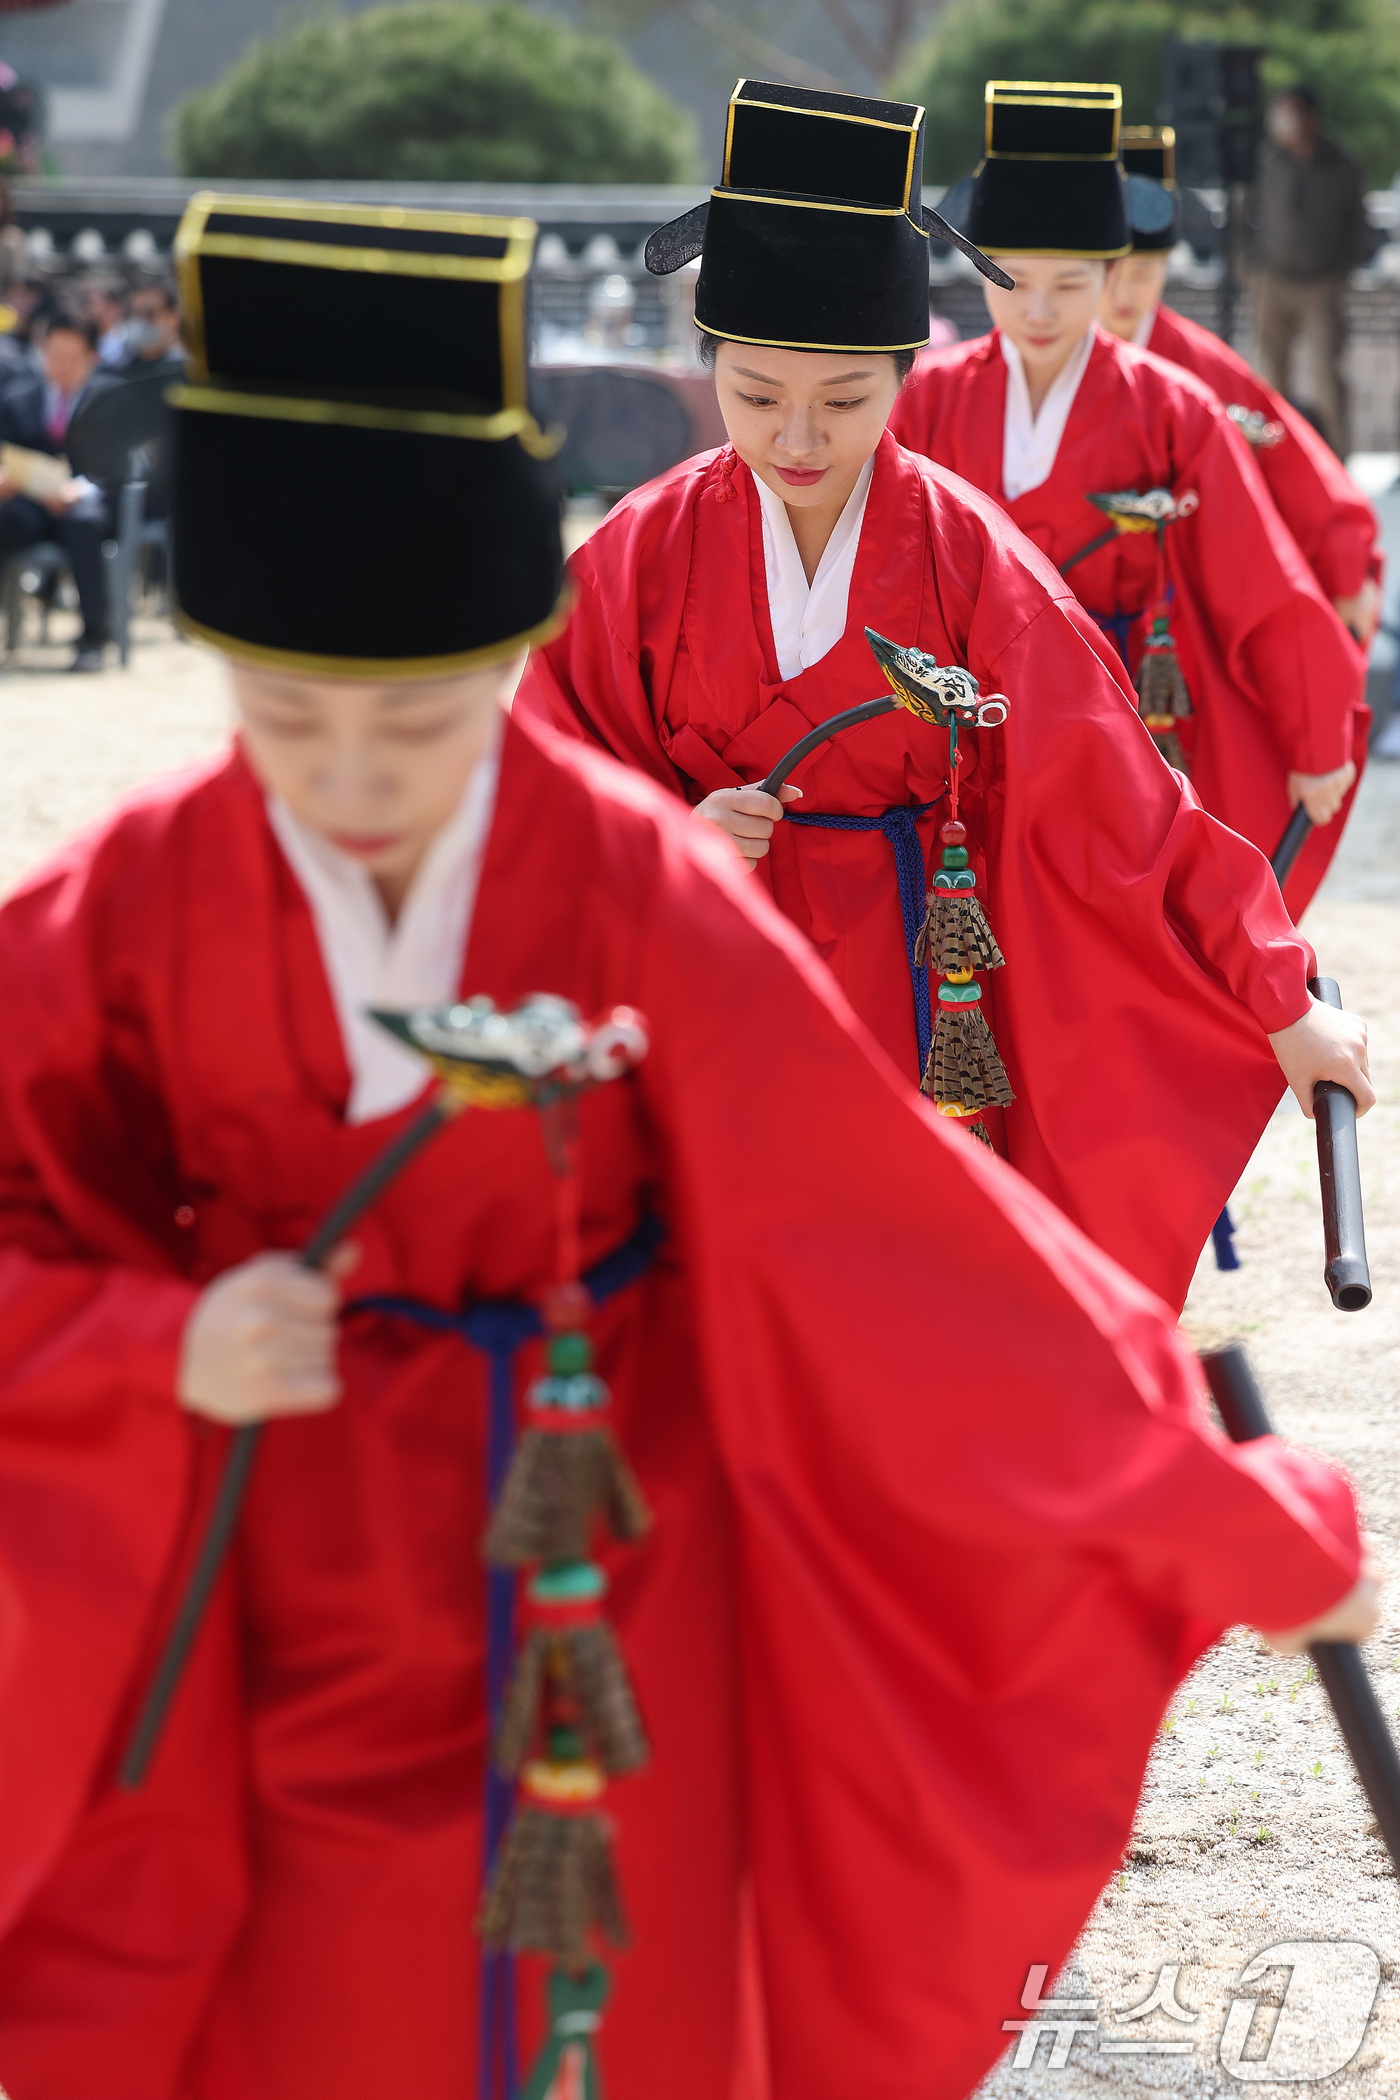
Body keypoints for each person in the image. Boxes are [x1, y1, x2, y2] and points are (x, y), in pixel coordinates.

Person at [0, 191, 1379, 2100]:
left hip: (597, 1519)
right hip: (276, 1526)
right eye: (290, 719)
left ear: (494, 664)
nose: (357, 781)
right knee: (297, 2002)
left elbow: (892, 1223)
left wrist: (1210, 1507)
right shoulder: (137, 901)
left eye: (418, 725)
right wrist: (151, 1351)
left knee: (616, 1987)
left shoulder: (605, 870)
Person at [520, 78, 1371, 1311]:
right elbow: (543, 771)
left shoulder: (966, 550)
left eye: (846, 400)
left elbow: (1115, 795)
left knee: (908, 1297)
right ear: (711, 372)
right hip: (719, 961)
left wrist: (1274, 995)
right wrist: (667, 836)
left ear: (901, 376)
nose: (799, 439)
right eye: (755, 398)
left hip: (913, 966)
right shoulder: (636, 554)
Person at [888, 81, 1366, 923]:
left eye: (1070, 286)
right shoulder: (928, 398)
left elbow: (1253, 568)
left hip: (1124, 717)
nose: (1037, 310)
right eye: (1014, 281)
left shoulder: (1173, 404)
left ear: (1111, 275)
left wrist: (1316, 728)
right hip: (975, 718)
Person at [1247, 85, 1371, 457]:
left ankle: (1337, 461)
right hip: (1272, 280)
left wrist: (1342, 272)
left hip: (1323, 284)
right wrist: (1249, 268)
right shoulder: (1265, 160)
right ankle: (1271, 458)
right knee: (1270, 375)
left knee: (1326, 375)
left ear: (1311, 115)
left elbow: (1359, 224)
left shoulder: (1343, 162)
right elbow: (1242, 214)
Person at [0, 305, 115, 670]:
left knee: (84, 524)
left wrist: (77, 492)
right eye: (54, 355)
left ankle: (93, 639)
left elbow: (117, 469)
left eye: (72, 358)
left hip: (81, 503)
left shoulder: (109, 403)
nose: (62, 366)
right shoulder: (18, 399)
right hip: (28, 503)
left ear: (92, 358)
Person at [119, 272, 184, 372]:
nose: (142, 322)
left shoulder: (188, 370)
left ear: (173, 318)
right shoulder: (117, 370)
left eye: (149, 314)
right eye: (136, 313)